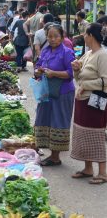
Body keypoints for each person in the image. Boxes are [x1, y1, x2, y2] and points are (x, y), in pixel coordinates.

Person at [71, 23, 107, 184]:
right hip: (82, 100)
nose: (83, 36)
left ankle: (103, 172)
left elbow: (105, 82)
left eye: (85, 34)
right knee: (83, 134)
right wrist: (76, 69)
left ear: (91, 35)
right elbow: (79, 79)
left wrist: (85, 85)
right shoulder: (88, 54)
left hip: (95, 101)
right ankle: (88, 168)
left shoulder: (103, 55)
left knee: (96, 135)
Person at [34, 24, 75, 166]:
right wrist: (38, 71)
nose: (52, 39)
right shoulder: (45, 51)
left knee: (58, 120)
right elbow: (37, 65)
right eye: (49, 36)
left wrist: (53, 73)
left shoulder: (67, 52)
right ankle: (47, 151)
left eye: (56, 36)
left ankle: (55, 157)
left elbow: (71, 74)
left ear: (62, 37)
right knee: (43, 118)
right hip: (46, 92)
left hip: (63, 93)